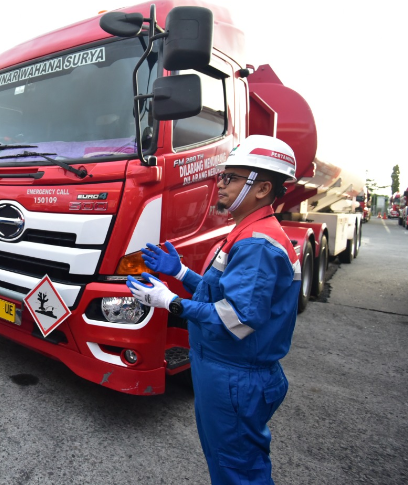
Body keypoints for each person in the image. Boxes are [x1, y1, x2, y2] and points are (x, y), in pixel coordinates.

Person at [126, 135, 300, 485]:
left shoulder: (258, 245)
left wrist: (169, 302)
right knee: (226, 463)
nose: (220, 184)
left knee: (238, 471)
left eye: (232, 178)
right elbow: (219, 292)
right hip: (223, 370)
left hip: (236, 376)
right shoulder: (246, 232)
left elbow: (235, 318)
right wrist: (180, 273)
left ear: (263, 188)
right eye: (223, 176)